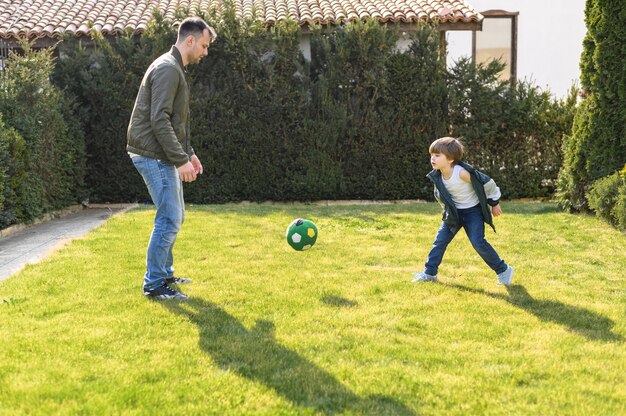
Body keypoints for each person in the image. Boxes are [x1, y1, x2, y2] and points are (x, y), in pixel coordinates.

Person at [127, 17, 217, 300]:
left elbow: (174, 122)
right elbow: (159, 120)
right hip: (152, 154)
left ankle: (164, 274)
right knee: (169, 218)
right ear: (190, 40)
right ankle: (154, 285)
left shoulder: (173, 66)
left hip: (159, 151)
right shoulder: (168, 68)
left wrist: (189, 154)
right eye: (203, 46)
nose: (205, 52)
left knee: (174, 216)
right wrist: (180, 161)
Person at [412, 137, 514, 286]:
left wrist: (494, 203)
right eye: (431, 155)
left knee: (478, 242)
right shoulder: (438, 175)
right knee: (439, 241)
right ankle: (429, 273)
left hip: (473, 212)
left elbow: (487, 184)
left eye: (437, 155)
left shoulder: (462, 173)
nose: (432, 158)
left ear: (451, 159)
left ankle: (503, 270)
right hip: (454, 214)